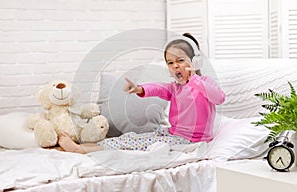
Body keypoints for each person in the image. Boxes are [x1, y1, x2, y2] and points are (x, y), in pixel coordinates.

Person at [58, 33, 225, 154]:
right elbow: (158, 88)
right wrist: (139, 89)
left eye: (180, 60)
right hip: (173, 134)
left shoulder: (205, 83)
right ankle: (85, 147)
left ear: (195, 62)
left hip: (191, 140)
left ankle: (80, 150)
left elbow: (219, 97)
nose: (175, 66)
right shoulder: (175, 88)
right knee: (131, 137)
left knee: (135, 143)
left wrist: (193, 79)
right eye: (170, 63)